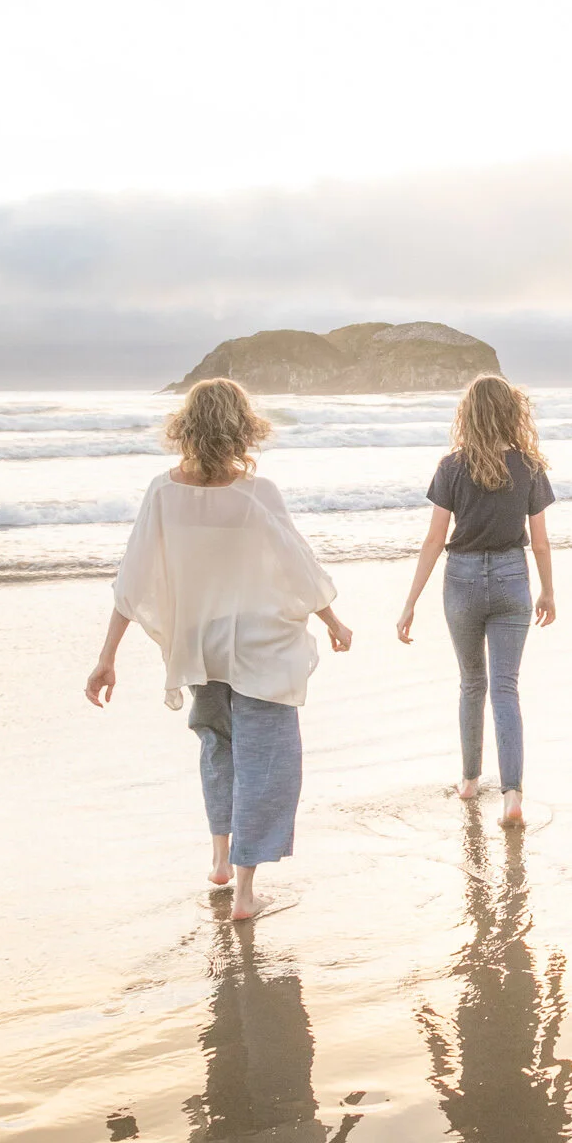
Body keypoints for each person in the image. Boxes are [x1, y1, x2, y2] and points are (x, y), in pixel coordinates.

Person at [85, 377, 353, 920]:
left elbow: (131, 579)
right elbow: (297, 566)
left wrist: (106, 656)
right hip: (257, 643)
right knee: (265, 757)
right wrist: (333, 620)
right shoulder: (257, 493)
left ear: (186, 425)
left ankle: (219, 858)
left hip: (199, 644)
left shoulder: (163, 492)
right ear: (242, 426)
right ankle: (246, 893)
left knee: (217, 746)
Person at [396, 375, 557, 828]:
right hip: (512, 577)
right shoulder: (528, 466)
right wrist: (547, 589)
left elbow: (434, 539)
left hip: (462, 579)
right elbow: (541, 544)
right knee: (506, 688)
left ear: (467, 414)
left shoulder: (451, 467)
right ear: (511, 412)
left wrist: (410, 601)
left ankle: (469, 781)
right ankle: (512, 796)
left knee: (472, 683)